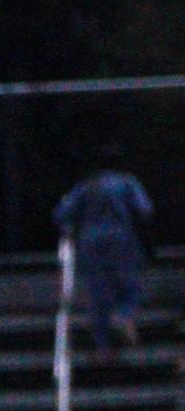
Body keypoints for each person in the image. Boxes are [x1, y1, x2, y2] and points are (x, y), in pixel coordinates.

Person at [54, 146, 154, 354]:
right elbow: (145, 210)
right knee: (129, 286)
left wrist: (72, 227)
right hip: (119, 238)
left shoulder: (86, 186)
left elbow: (61, 213)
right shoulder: (127, 183)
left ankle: (102, 346)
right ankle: (124, 316)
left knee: (98, 294)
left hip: (90, 241)